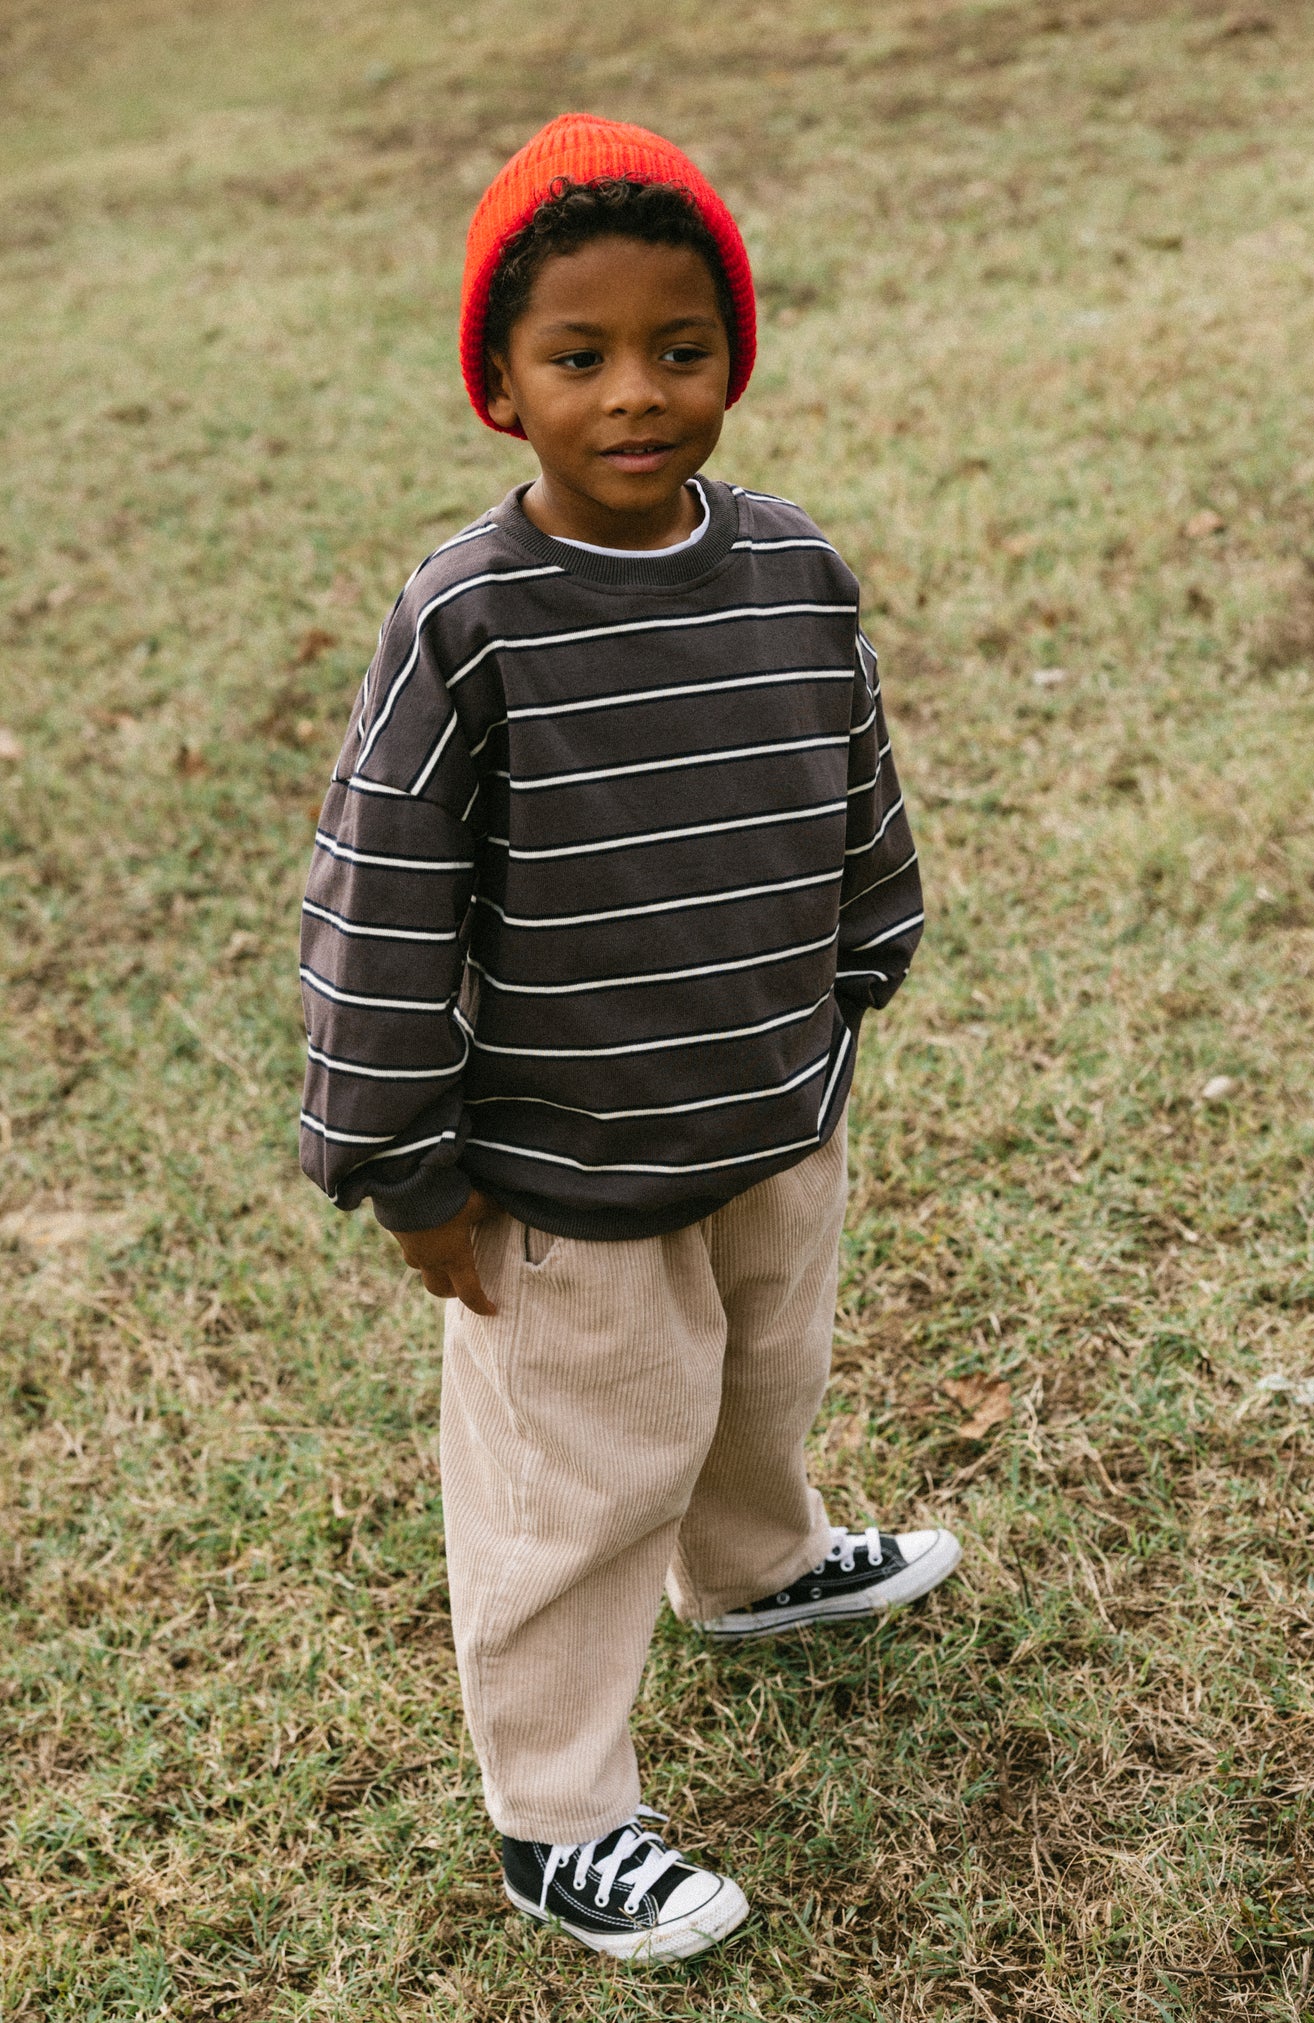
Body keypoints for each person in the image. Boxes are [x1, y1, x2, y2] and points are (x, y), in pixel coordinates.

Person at [297, 112, 959, 1964]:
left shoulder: (792, 567)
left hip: (770, 1096)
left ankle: (754, 1573)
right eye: (575, 356)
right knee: (577, 1481)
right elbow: (380, 892)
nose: (635, 393)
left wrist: (868, 953)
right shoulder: (469, 622)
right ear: (500, 387)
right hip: (558, 1164)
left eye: (679, 347)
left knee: (757, 1373)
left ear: (733, 353)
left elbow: (853, 783)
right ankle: (559, 1812)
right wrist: (400, 1159)